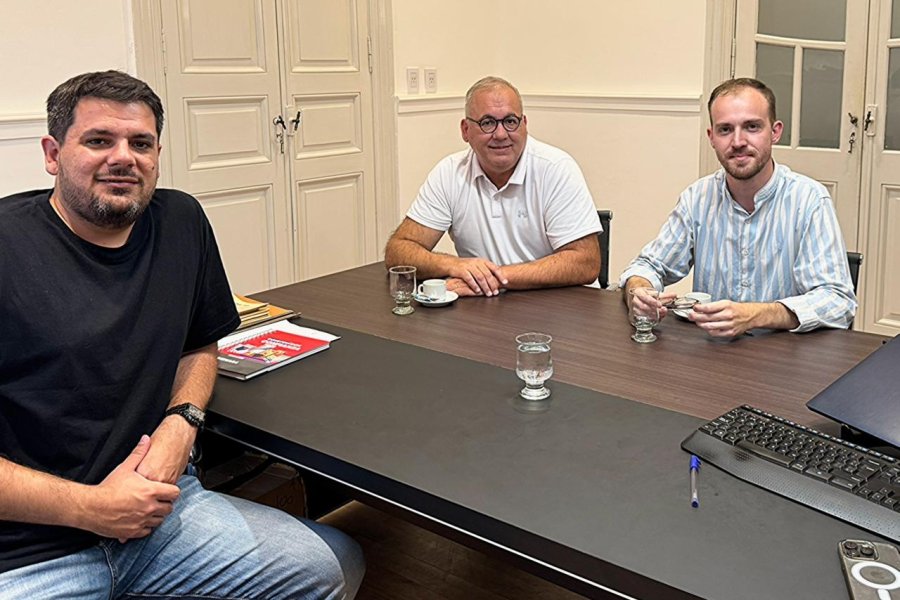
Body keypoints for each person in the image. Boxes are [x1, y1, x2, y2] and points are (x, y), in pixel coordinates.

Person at [0, 71, 364, 599]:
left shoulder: (180, 220)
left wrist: (182, 424)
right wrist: (93, 509)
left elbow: (200, 343)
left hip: (164, 519)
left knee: (329, 564)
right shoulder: (9, 245)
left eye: (140, 143)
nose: (123, 157)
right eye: (99, 140)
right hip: (30, 552)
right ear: (53, 153)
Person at [620, 77, 856, 337]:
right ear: (711, 137)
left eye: (752, 127)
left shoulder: (809, 200)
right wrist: (638, 292)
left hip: (786, 360)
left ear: (775, 132)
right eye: (725, 130)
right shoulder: (698, 198)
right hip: (714, 355)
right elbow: (648, 265)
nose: (738, 141)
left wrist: (755, 315)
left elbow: (837, 302)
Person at [384, 76, 602, 297]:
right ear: (465, 130)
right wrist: (453, 265)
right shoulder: (450, 172)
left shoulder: (555, 168)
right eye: (487, 123)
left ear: (524, 124)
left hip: (561, 310)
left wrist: (494, 278)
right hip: (485, 309)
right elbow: (399, 250)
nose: (500, 134)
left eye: (510, 121)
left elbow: (586, 262)